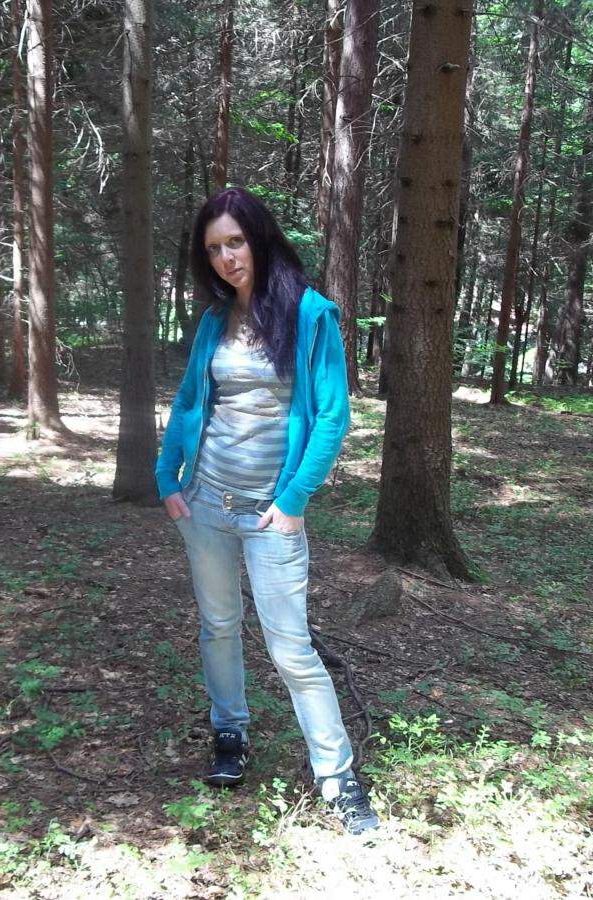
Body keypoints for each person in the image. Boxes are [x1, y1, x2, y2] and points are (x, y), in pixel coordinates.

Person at [155, 187, 380, 836]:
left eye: (235, 242)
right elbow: (191, 402)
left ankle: (338, 778)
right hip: (205, 505)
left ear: (260, 238)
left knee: (291, 649)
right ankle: (229, 733)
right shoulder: (214, 320)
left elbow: (332, 417)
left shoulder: (310, 315)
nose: (227, 258)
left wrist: (292, 500)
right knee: (219, 626)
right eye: (213, 249)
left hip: (269, 515)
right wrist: (166, 476)